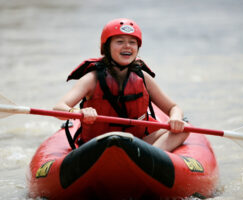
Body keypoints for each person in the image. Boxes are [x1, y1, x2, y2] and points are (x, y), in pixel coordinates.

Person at [53, 18, 189, 152]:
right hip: (98, 146)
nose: (127, 46)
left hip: (136, 143)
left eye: (132, 42)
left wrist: (175, 118)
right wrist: (77, 112)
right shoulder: (92, 79)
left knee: (184, 129)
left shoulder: (143, 78)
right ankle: (144, 158)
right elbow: (58, 108)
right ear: (106, 48)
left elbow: (173, 107)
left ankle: (150, 157)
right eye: (120, 42)